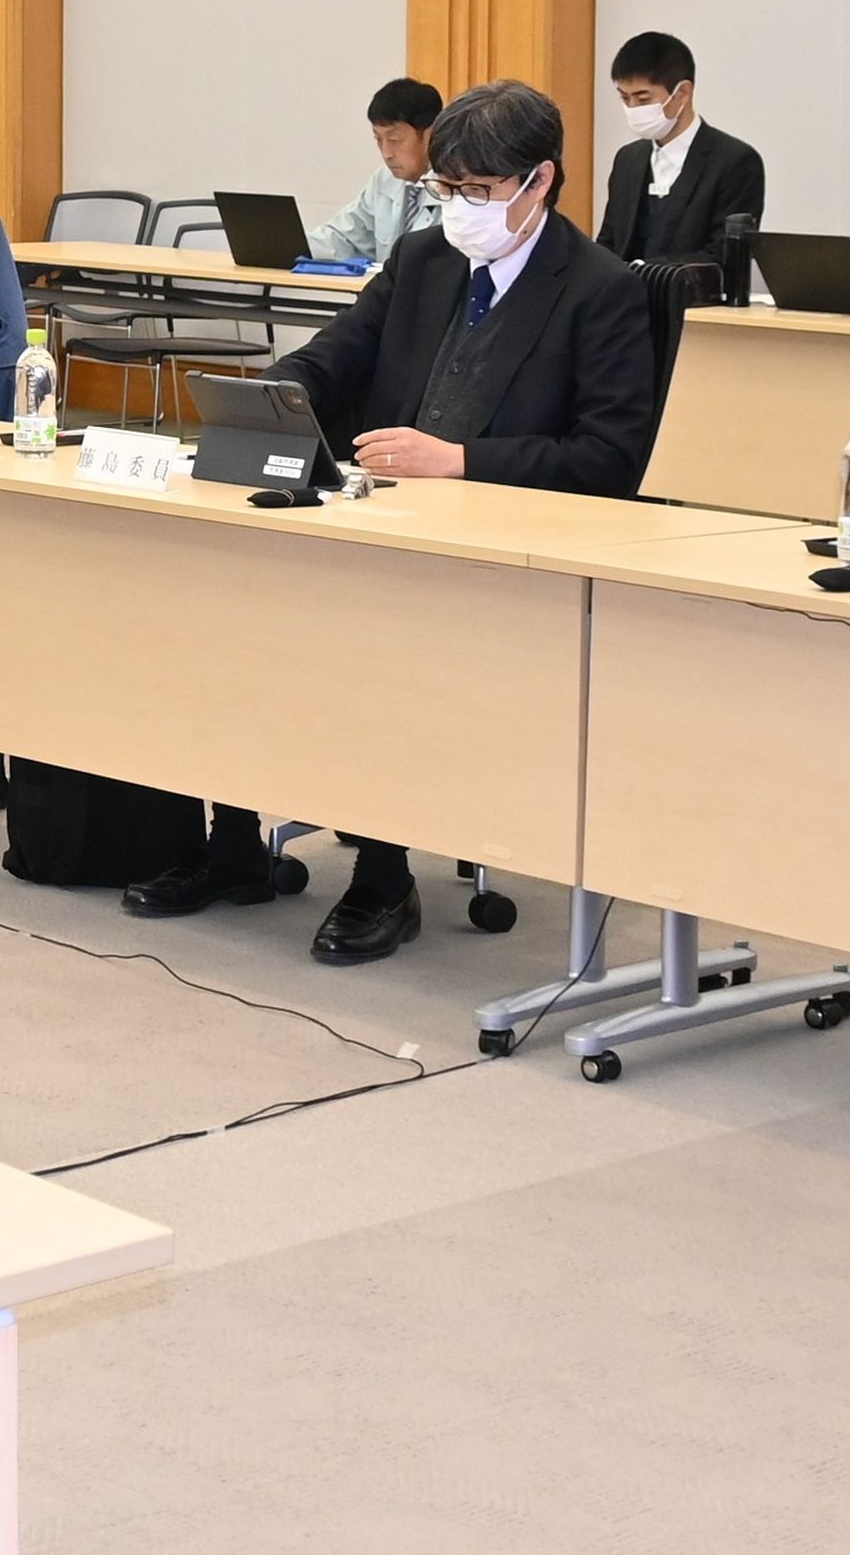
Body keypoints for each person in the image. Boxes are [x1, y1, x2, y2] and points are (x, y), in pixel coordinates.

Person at [126, 84, 670, 967]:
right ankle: (230, 843)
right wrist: (275, 392)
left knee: (375, 645)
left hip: (504, 553)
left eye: (477, 190)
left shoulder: (598, 289)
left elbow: (608, 457)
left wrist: (458, 459)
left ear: (540, 181)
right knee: (226, 608)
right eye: (446, 189)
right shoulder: (424, 257)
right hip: (382, 518)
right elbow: (340, 353)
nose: (458, 208)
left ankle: (383, 877)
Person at [593, 33, 764, 289]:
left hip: (695, 305)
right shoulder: (628, 160)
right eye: (625, 98)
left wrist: (643, 271)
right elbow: (609, 241)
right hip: (624, 305)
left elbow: (725, 256)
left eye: (643, 99)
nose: (633, 109)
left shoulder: (735, 161)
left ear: (683, 92)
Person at [310, 79, 442, 265]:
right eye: (378, 139)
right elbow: (344, 237)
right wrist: (289, 245)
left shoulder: (455, 186)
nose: (386, 153)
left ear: (429, 135)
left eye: (395, 139)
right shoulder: (384, 180)